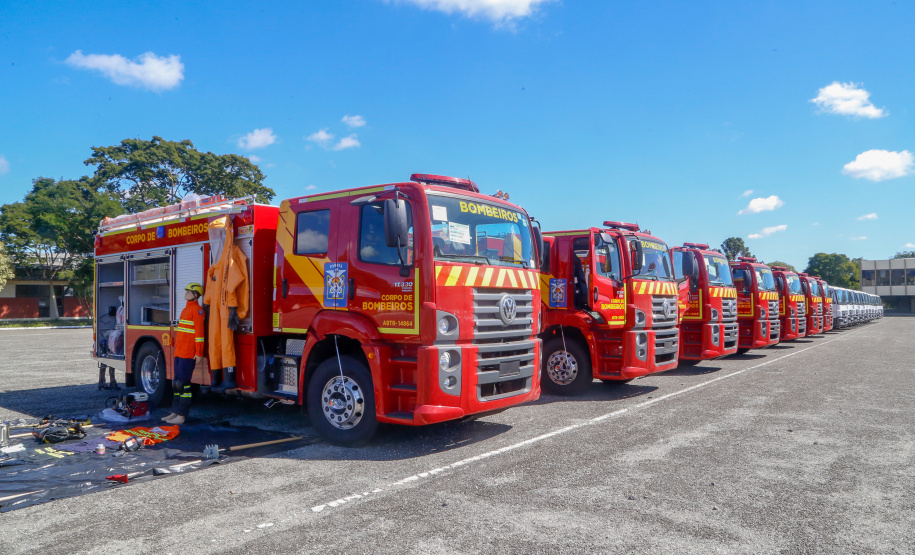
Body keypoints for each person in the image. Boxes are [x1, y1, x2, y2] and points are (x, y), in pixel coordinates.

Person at [162, 282, 206, 425]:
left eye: (189, 291)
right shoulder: (185, 310)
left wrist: (199, 353)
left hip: (189, 353)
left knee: (184, 384)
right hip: (179, 352)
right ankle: (175, 412)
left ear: (195, 295)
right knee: (175, 383)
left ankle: (182, 414)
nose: (186, 293)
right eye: (186, 290)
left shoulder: (198, 311)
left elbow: (199, 334)